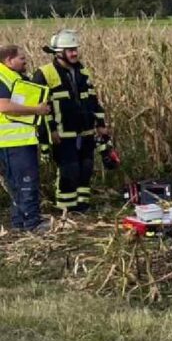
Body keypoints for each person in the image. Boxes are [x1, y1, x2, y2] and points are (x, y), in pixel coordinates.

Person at [32, 29, 109, 214]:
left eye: (75, 49)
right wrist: (50, 132)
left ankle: (82, 205)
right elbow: (40, 108)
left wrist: (100, 124)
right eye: (69, 50)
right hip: (62, 132)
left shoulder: (83, 71)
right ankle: (66, 207)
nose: (74, 53)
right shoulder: (44, 73)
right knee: (69, 169)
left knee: (86, 167)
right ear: (58, 52)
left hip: (86, 130)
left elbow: (93, 100)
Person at [0, 45, 52, 231]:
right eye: (21, 58)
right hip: (13, 142)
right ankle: (32, 223)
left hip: (19, 140)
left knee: (17, 184)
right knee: (26, 183)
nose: (25, 61)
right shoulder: (2, 77)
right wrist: (36, 110)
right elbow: (4, 106)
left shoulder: (13, 76)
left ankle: (19, 223)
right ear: (9, 60)